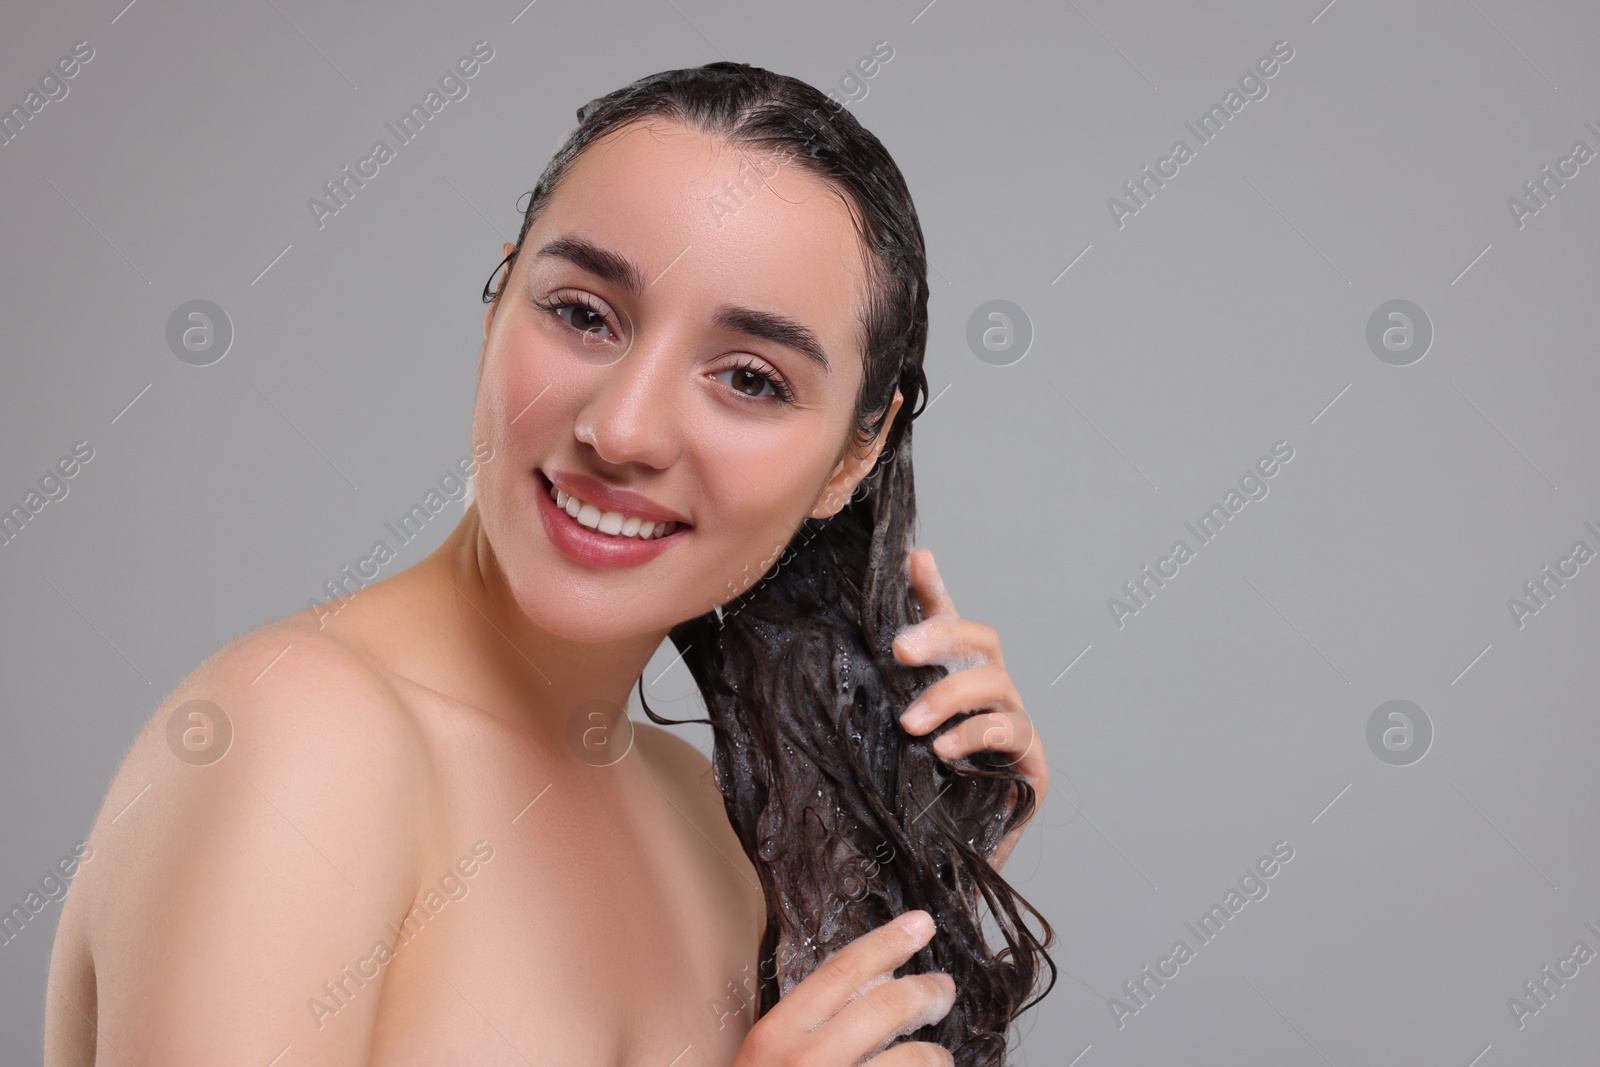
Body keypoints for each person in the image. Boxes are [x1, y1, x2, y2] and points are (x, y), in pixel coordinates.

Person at [43, 61, 1050, 1066]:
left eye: (749, 377)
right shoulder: (300, 740)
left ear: (851, 457)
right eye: (583, 314)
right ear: (496, 305)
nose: (622, 428)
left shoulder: (708, 832)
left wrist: (925, 871)